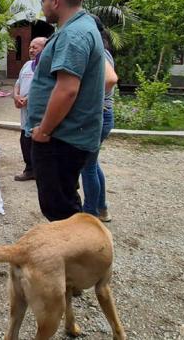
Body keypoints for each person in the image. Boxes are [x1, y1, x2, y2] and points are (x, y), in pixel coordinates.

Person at [27, 0, 105, 222]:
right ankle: (74, 252)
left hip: (60, 138)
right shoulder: (78, 28)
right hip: (64, 135)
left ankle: (74, 256)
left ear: (56, 1)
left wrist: (44, 130)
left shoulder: (74, 35)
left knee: (60, 207)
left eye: (44, 0)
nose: (43, 6)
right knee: (63, 200)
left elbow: (67, 88)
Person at [81, 16, 118, 222]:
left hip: (99, 113)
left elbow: (111, 80)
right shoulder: (101, 51)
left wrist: (87, 97)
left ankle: (90, 216)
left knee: (87, 167)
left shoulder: (100, 53)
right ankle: (101, 209)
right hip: (103, 113)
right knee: (91, 165)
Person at [12, 37, 47, 181]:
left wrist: (28, 99)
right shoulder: (27, 65)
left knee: (39, 144)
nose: (31, 50)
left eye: (35, 47)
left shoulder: (46, 67)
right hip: (24, 112)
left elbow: (46, 89)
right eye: (30, 47)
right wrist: (16, 96)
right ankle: (29, 170)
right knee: (25, 142)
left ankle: (41, 173)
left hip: (39, 114)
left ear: (45, 49)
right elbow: (18, 83)